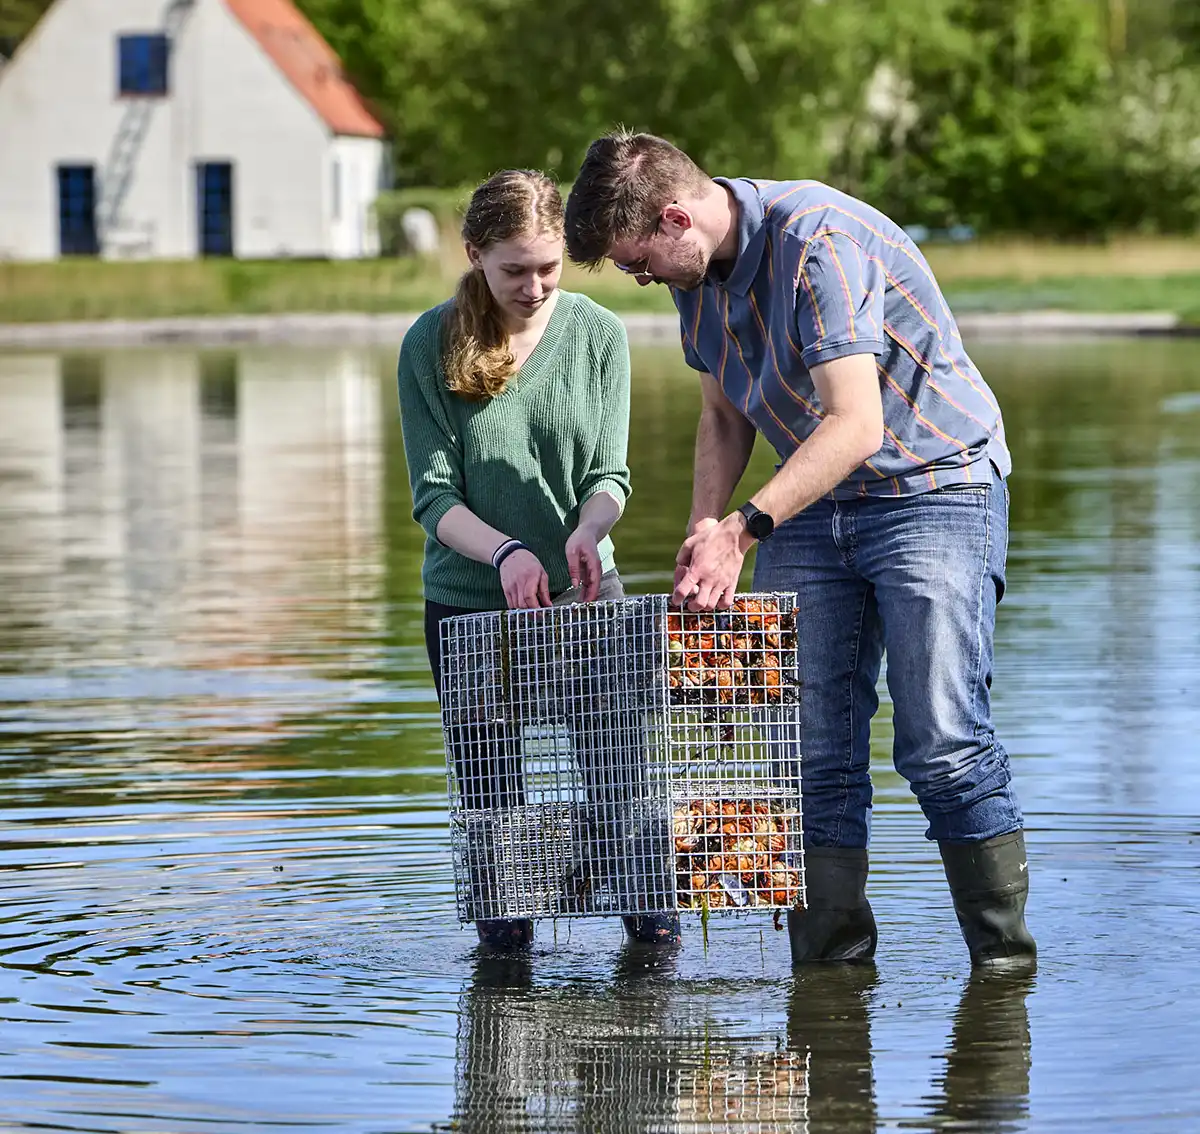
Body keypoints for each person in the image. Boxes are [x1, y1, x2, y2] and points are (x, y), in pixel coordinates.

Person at [563, 132, 1036, 970]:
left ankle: (1002, 974)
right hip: (814, 501)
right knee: (813, 753)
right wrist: (705, 532)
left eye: (640, 263)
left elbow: (856, 424)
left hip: (934, 488)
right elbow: (722, 415)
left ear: (678, 217)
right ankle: (831, 973)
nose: (642, 279)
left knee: (940, 741)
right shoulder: (696, 272)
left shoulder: (818, 244)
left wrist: (744, 530)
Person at [397, 169, 680, 951]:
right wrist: (509, 553)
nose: (532, 287)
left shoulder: (598, 335)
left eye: (548, 269)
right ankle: (505, 964)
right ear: (475, 255)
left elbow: (609, 477)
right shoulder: (429, 345)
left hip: (587, 594)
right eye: (513, 270)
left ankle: (651, 963)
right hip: (467, 604)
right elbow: (434, 499)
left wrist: (589, 529)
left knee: (625, 796)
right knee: (496, 813)